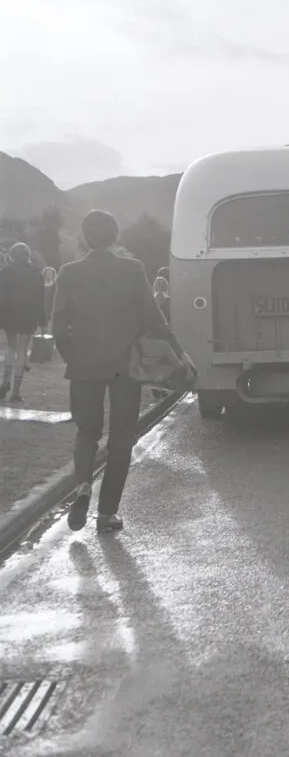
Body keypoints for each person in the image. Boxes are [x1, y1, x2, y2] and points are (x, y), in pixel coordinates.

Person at [52, 210, 194, 534]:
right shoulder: (132, 270)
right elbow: (153, 319)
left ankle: (83, 486)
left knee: (86, 433)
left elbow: (59, 327)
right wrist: (178, 350)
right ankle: (106, 514)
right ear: (116, 237)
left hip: (85, 365)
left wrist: (72, 357)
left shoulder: (68, 272)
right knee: (121, 437)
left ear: (85, 238)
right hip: (125, 367)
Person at [0, 243, 47, 403]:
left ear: (13, 255)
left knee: (11, 348)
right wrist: (43, 321)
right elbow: (40, 301)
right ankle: (16, 391)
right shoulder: (36, 273)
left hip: (9, 315)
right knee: (22, 351)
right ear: (28, 256)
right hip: (28, 316)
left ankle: (5, 382)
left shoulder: (5, 272)